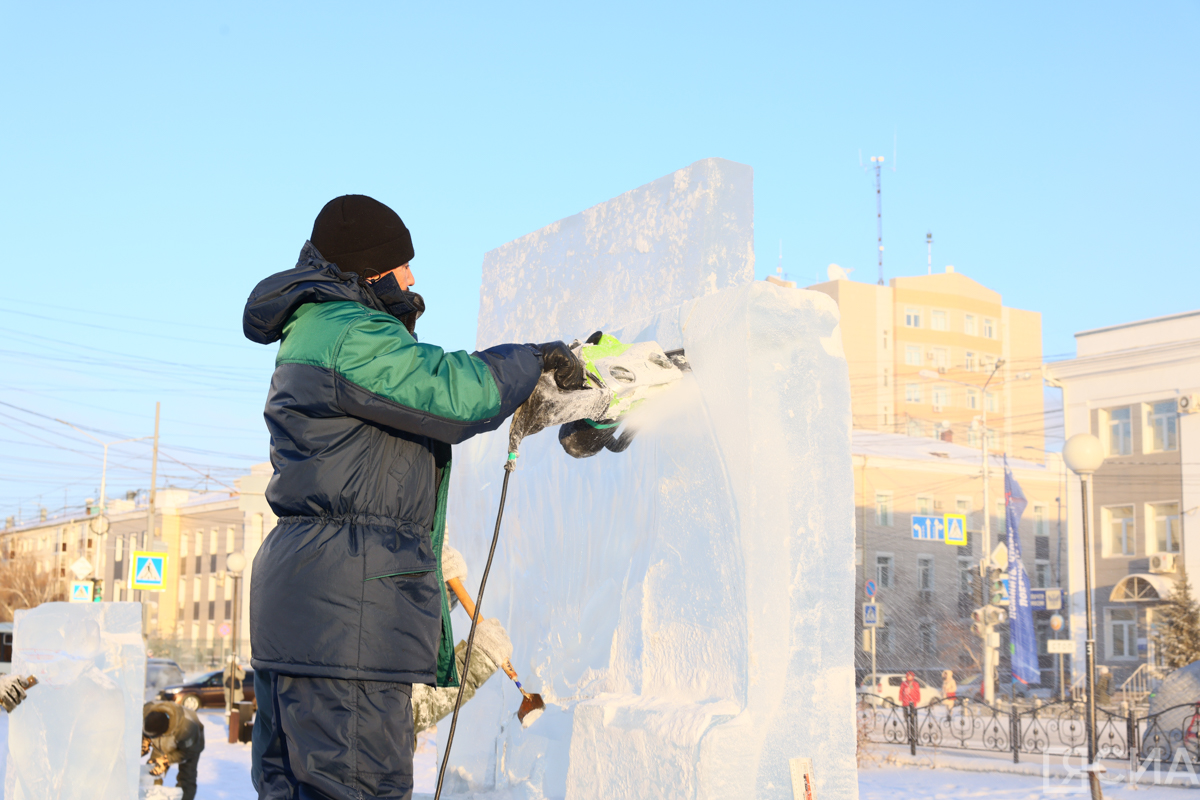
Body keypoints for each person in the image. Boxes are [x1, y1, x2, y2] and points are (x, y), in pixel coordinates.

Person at [244, 195, 585, 800]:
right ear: (370, 271)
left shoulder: (316, 327)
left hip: (305, 617)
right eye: (402, 267)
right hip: (346, 623)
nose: (412, 280)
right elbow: (451, 391)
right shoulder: (349, 331)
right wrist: (531, 362)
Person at [143, 701, 206, 800]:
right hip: (162, 741)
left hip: (190, 746)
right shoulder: (146, 711)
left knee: (187, 777)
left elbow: (189, 751)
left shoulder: (188, 726)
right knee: (152, 770)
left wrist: (166, 759)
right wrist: (145, 740)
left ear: (162, 733)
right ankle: (151, 796)